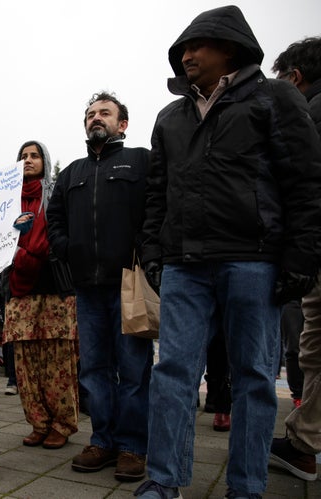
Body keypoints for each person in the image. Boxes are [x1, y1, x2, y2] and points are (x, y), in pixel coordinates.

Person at [136, 8, 321, 499]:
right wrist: (154, 253)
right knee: (173, 372)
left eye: (197, 46)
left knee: (256, 378)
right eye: (181, 51)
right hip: (182, 266)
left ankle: (246, 487)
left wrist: (301, 257)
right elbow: (157, 193)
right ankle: (164, 479)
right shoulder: (169, 117)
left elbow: (305, 183)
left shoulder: (275, 98)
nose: (187, 56)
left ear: (231, 49)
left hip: (254, 262)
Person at [46, 92, 152, 482]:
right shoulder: (71, 172)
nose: (96, 118)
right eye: (91, 113)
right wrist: (65, 248)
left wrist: (145, 252)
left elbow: (156, 207)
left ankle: (132, 446)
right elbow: (54, 217)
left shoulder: (141, 160)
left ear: (122, 124)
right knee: (93, 371)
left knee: (134, 370)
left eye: (105, 113)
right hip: (86, 288)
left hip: (129, 283)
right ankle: (103, 440)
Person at [268, 35, 321, 482]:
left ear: (295, 79)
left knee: (314, 348)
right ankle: (303, 443)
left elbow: (300, 187)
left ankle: (304, 444)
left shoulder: (306, 115)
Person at [2, 140, 79, 450]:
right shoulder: (6, 201)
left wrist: (23, 252)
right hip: (20, 289)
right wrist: (17, 254)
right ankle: (38, 422)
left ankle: (62, 424)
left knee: (58, 362)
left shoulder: (56, 195)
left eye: (34, 155)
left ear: (45, 160)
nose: (29, 160)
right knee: (25, 365)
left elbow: (56, 237)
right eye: (23, 156)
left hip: (53, 286)